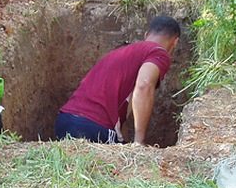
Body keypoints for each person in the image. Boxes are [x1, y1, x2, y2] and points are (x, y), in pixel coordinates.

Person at [55, 15, 181, 145]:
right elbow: (144, 85)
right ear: (175, 42)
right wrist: (139, 141)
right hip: (94, 128)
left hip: (64, 121)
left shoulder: (120, 52)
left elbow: (121, 107)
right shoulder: (158, 52)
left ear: (146, 34)